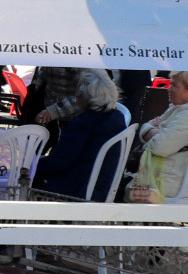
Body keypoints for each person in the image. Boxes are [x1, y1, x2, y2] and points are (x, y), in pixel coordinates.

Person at [34, 69, 128, 202]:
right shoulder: (117, 118)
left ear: (83, 97)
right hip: (104, 188)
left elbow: (58, 162)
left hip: (76, 191)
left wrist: (32, 163)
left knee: (28, 177)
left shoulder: (82, 124)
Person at [130, 70, 188, 202]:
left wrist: (153, 132)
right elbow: (146, 127)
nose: (169, 89)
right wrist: (155, 132)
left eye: (175, 86)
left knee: (111, 185)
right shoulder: (182, 107)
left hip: (165, 185)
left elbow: (159, 147)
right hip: (159, 177)